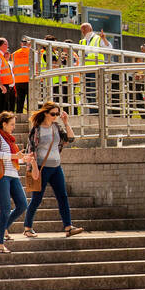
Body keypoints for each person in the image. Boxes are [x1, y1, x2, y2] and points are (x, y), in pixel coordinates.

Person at [22, 101, 85, 239]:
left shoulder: (57, 127)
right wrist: (34, 169)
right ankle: (27, 228)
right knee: (37, 199)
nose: (55, 116)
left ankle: (68, 227)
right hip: (42, 168)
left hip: (56, 167)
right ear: (45, 113)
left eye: (57, 114)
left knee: (62, 197)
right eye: (52, 114)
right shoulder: (37, 130)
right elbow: (31, 150)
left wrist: (66, 122)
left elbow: (71, 139)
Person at [0, 111, 30, 254]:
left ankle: (4, 227)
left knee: (23, 204)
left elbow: (13, 158)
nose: (13, 127)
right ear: (3, 124)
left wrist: (24, 159)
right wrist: (14, 155)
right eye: (11, 124)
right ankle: (0, 244)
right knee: (5, 209)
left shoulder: (9, 139)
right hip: (0, 176)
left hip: (13, 174)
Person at [79, 22, 107, 115]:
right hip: (86, 69)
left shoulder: (98, 38)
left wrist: (104, 39)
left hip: (96, 69)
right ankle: (92, 112)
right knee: (87, 92)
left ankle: (96, 113)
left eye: (85, 29)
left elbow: (108, 47)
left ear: (90, 29)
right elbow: (80, 56)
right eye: (82, 30)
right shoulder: (82, 41)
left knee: (94, 91)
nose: (83, 32)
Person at [10, 37, 32, 113]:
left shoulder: (14, 54)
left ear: (21, 44)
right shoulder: (32, 53)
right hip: (29, 80)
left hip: (18, 81)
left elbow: (13, 68)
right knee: (31, 101)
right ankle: (30, 117)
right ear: (29, 44)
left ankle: (18, 117)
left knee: (20, 101)